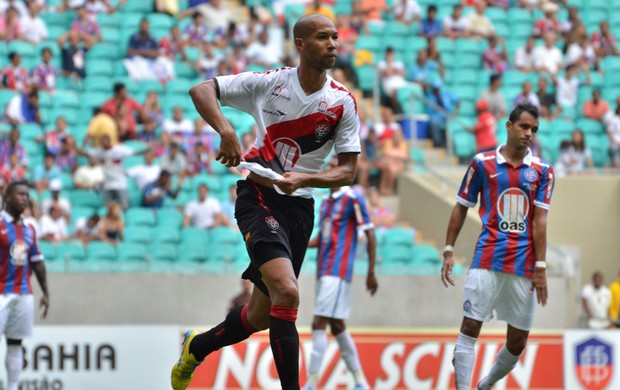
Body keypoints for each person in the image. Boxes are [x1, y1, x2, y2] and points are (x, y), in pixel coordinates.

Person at [171, 14, 361, 390]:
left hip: (300, 208)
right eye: (323, 37)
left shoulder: (342, 102)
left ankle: (198, 346)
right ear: (301, 44)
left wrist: (306, 178)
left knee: (259, 316)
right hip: (258, 195)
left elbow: (347, 171)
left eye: (335, 37)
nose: (333, 44)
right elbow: (201, 89)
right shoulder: (271, 83)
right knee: (288, 292)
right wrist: (226, 130)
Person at [441, 103, 554, 390]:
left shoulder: (543, 171)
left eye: (534, 130)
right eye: (524, 126)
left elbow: (540, 220)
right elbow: (461, 206)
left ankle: (486, 384)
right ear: (509, 125)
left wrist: (541, 266)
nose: (529, 133)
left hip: (524, 264)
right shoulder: (482, 163)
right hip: (487, 258)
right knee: (469, 329)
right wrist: (449, 249)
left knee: (517, 343)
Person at [303, 164, 378, 390]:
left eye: (333, 169)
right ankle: (360, 381)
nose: (327, 173)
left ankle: (311, 383)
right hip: (323, 269)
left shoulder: (352, 199)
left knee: (318, 322)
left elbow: (370, 234)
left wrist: (371, 272)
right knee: (337, 325)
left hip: (337, 270)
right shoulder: (326, 203)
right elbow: (321, 239)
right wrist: (293, 241)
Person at [0, 181, 49, 390]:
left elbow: (37, 261)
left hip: (24, 293)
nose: (25, 199)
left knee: (16, 343)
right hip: (1, 294)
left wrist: (46, 293)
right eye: (20, 194)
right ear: (8, 197)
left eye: (27, 195)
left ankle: (13, 387)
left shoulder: (29, 228)